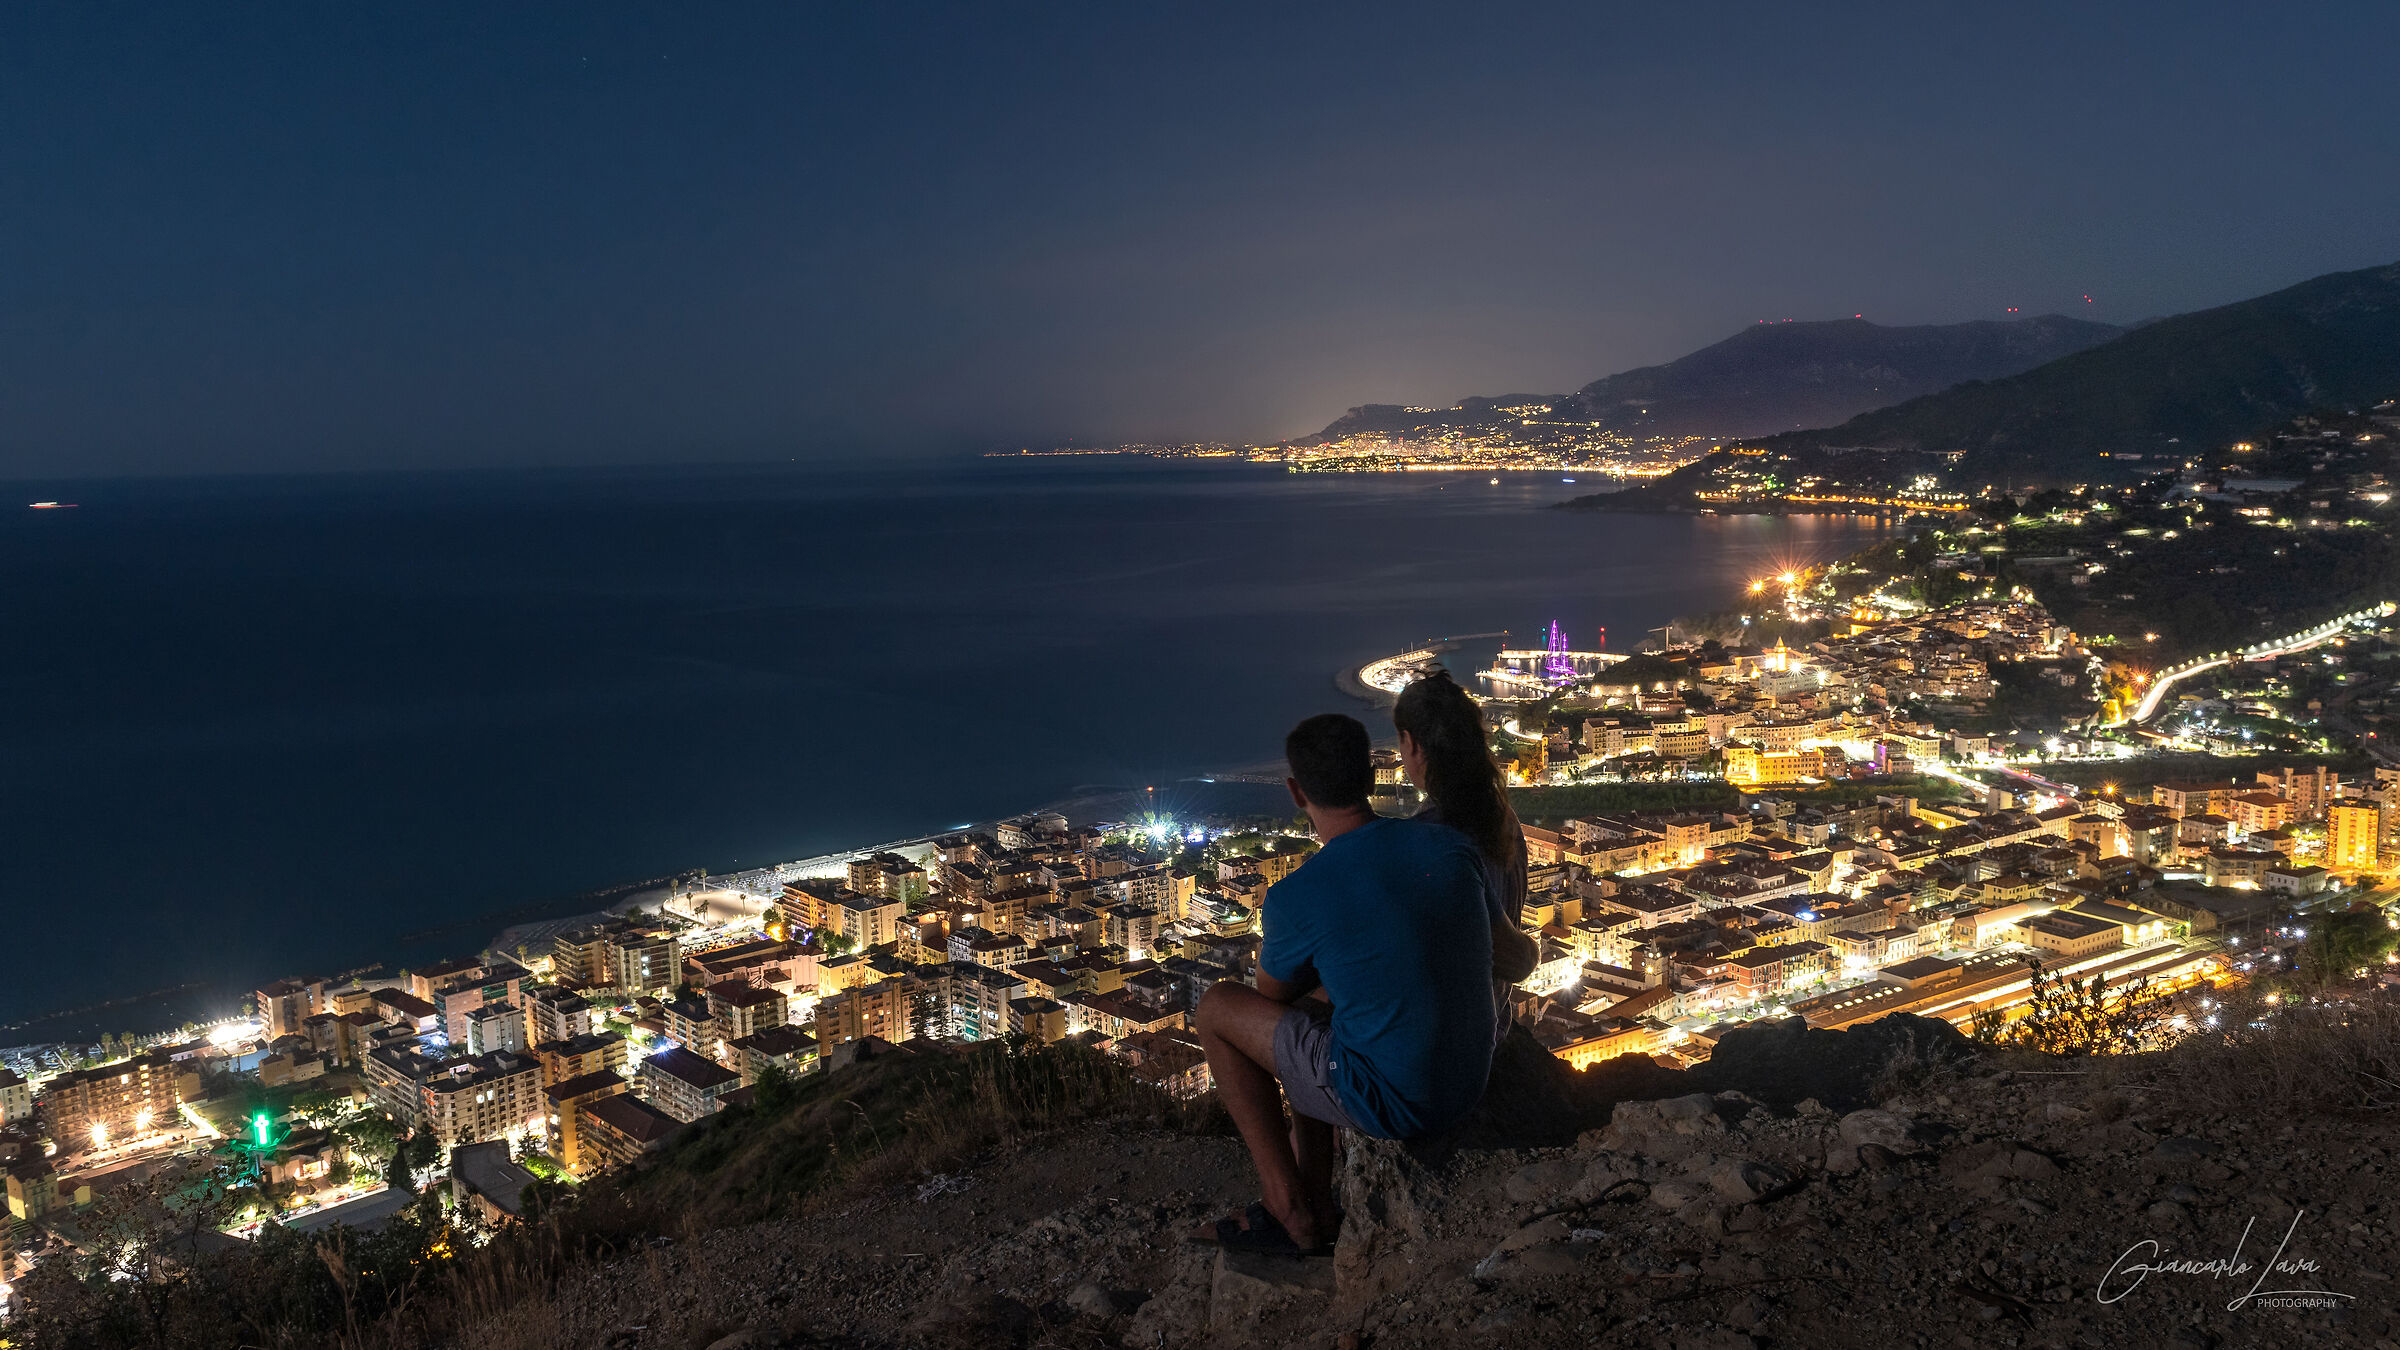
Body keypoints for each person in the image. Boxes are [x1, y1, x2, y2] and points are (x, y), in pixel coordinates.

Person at [1191, 712, 1495, 1255]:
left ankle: (1289, 1210)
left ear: (1294, 790)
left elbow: (1268, 1002)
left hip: (1400, 1103)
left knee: (1216, 1009)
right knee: (1323, 1008)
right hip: (1471, 1080)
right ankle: (1316, 1192)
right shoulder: (1448, 846)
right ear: (1373, 775)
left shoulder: (1298, 895)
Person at [1392, 669, 1536, 1047]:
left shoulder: (1428, 838)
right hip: (1494, 1024)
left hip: (1449, 1042)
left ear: (1413, 744)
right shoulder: (1504, 819)